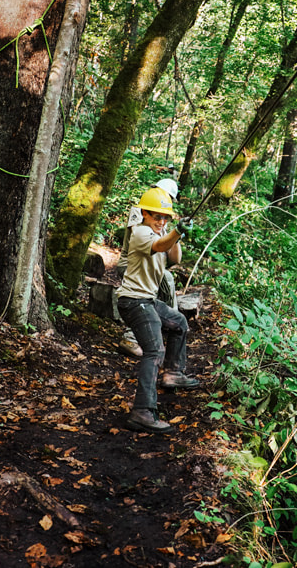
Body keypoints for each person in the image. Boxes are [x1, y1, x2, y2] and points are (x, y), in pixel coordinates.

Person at [117, 186, 199, 433]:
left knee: (179, 323)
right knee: (154, 350)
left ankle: (173, 373)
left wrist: (178, 235)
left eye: (165, 217)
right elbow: (161, 246)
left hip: (148, 300)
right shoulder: (140, 232)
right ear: (144, 214)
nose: (160, 221)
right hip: (133, 301)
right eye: (156, 216)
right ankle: (142, 411)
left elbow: (174, 258)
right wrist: (173, 232)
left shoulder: (162, 232)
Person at [116, 178, 180, 356]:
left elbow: (172, 254)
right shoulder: (142, 212)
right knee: (163, 280)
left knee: (165, 281)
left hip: (148, 263)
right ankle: (131, 337)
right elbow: (147, 241)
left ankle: (168, 327)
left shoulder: (160, 217)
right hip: (131, 263)